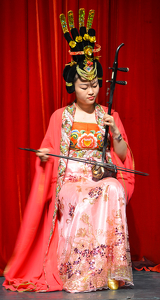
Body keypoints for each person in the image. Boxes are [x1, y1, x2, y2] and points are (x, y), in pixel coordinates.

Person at [3, 9, 134, 293]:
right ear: (71, 86)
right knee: (85, 197)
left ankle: (107, 270)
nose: (91, 91)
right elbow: (48, 149)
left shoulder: (108, 114)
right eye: (84, 85)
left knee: (112, 189)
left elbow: (122, 156)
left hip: (98, 177)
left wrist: (115, 131)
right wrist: (43, 155)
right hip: (71, 182)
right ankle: (80, 270)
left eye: (96, 84)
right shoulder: (60, 116)